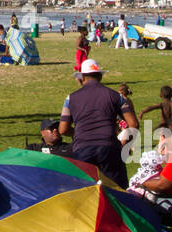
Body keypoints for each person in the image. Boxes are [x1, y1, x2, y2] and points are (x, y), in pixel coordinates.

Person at [59, 59, 138, 187]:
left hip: (82, 148)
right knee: (117, 191)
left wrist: (78, 132)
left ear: (82, 77)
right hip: (109, 147)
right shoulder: (116, 96)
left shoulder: (70, 98)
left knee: (85, 192)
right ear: (100, 76)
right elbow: (133, 124)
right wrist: (126, 144)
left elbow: (63, 129)